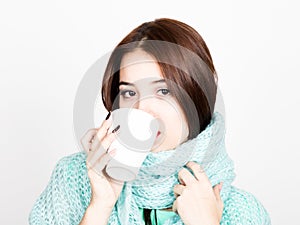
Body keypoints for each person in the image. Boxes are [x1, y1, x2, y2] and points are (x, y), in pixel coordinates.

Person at [29, 18, 271, 225]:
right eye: (129, 93)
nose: (142, 109)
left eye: (163, 91)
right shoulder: (74, 179)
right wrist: (99, 207)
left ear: (197, 98)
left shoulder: (242, 211)